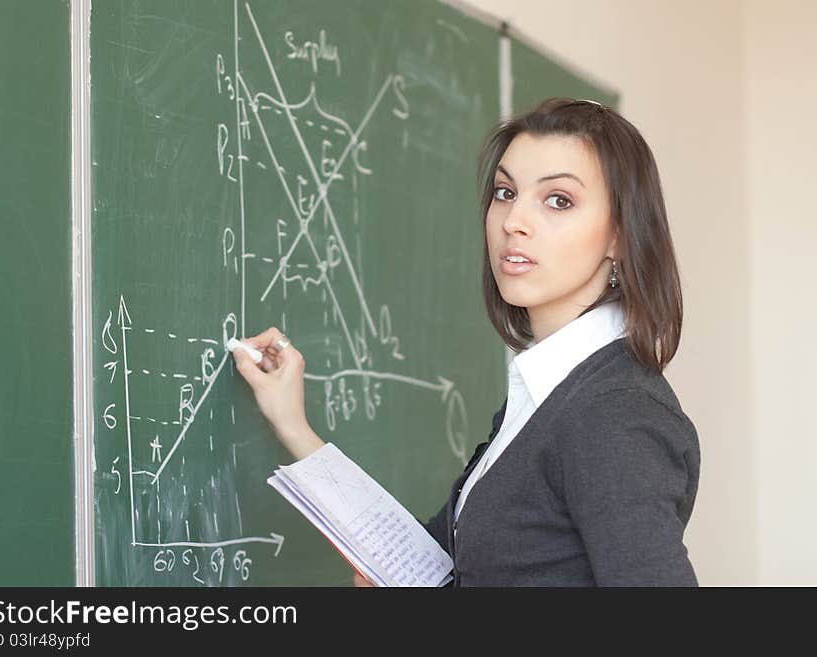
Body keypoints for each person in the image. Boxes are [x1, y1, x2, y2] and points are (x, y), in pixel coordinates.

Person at [232, 98, 701, 587]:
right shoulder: (550, 394)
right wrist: (294, 425)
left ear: (620, 236)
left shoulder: (613, 412)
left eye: (558, 200)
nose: (513, 221)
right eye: (504, 192)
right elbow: (424, 568)